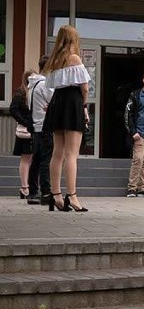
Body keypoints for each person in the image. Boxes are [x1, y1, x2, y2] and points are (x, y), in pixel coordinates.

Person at [43, 24, 91, 212]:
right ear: (73, 39)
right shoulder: (74, 58)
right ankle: (72, 196)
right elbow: (84, 87)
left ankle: (55, 195)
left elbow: (50, 87)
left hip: (58, 102)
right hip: (72, 103)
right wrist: (84, 105)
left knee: (57, 153)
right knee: (72, 154)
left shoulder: (54, 60)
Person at [26, 56, 53, 205]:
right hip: (45, 126)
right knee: (45, 160)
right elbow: (54, 102)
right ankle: (46, 192)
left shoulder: (32, 85)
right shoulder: (44, 84)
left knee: (36, 160)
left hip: (36, 126)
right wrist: (52, 107)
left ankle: (33, 192)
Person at [10, 70, 35, 200]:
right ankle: (25, 187)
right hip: (26, 130)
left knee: (30, 159)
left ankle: (27, 187)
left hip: (33, 129)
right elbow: (13, 109)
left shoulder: (33, 92)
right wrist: (26, 122)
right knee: (26, 158)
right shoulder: (21, 93)